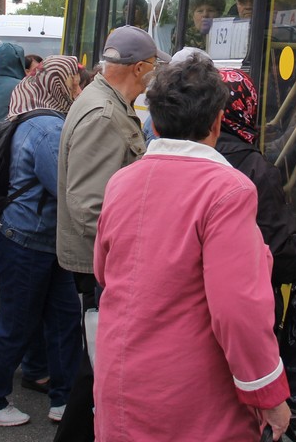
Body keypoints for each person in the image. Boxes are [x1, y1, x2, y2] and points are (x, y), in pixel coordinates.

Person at [94, 56, 291, 441]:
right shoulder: (227, 190)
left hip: (120, 380)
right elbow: (238, 311)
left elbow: (105, 271)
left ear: (155, 119)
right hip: (191, 394)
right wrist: (268, 393)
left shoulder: (122, 181)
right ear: (217, 121)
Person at [55, 25, 165, 441]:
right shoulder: (104, 113)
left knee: (97, 364)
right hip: (99, 262)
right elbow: (89, 206)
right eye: (153, 68)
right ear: (138, 67)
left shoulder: (104, 101)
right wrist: (134, 252)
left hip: (96, 258)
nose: (153, 76)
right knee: (99, 367)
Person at [0, 56, 84, 427]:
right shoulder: (49, 128)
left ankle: (64, 398)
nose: (79, 91)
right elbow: (64, 188)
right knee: (18, 322)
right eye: (73, 84)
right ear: (58, 87)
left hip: (37, 239)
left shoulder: (29, 113)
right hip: (28, 240)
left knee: (64, 319)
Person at [215, 68, 296, 322]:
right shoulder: (255, 169)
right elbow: (278, 251)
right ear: (246, 106)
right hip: (244, 312)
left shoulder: (176, 155)